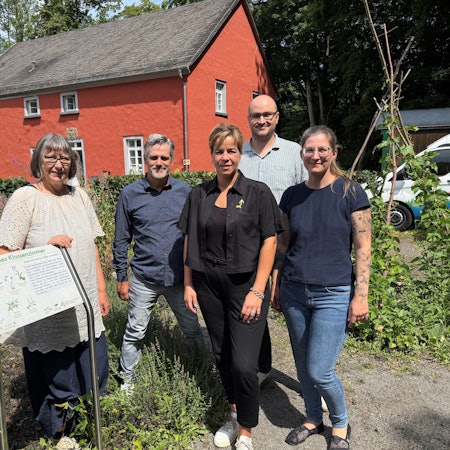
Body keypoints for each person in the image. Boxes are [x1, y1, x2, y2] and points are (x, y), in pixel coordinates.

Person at [178, 123, 283, 450]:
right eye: (219, 151)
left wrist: (258, 289)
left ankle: (248, 432)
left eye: (232, 150)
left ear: (240, 153)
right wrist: (188, 284)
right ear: (212, 154)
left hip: (245, 287)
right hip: (208, 286)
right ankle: (235, 416)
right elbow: (188, 241)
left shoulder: (258, 192)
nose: (226, 157)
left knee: (243, 363)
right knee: (222, 356)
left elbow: (270, 240)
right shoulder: (199, 194)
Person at [0, 133, 110, 439]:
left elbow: (92, 247)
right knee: (59, 379)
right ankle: (61, 435)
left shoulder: (80, 196)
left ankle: (90, 427)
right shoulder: (26, 198)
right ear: (38, 160)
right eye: (50, 157)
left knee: (95, 370)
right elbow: (4, 253)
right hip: (49, 314)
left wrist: (101, 290)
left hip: (85, 305)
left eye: (64, 158)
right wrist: (45, 250)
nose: (58, 164)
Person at [272, 125, 371, 449]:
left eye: (321, 150)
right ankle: (313, 418)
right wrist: (276, 283)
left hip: (334, 293)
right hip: (295, 291)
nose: (315, 155)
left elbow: (363, 248)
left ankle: (340, 424)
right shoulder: (291, 196)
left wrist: (361, 296)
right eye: (309, 150)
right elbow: (284, 244)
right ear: (302, 154)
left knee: (320, 369)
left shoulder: (350, 192)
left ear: (333, 153)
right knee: (303, 366)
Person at [112, 133, 204, 391]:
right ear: (145, 159)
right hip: (144, 279)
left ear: (172, 160)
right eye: (154, 157)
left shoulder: (186, 192)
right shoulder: (130, 194)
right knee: (135, 333)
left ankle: (201, 372)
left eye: (164, 157)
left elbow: (195, 236)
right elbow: (121, 238)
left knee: (192, 330)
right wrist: (121, 276)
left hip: (179, 280)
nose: (159, 161)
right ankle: (127, 381)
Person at [239, 94, 308, 385]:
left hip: (288, 246)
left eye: (268, 114)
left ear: (277, 117)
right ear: (249, 119)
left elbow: (310, 194)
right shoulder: (237, 154)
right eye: (256, 115)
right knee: (254, 307)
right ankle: (263, 367)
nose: (262, 120)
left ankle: (312, 380)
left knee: (295, 313)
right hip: (248, 247)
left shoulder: (294, 152)